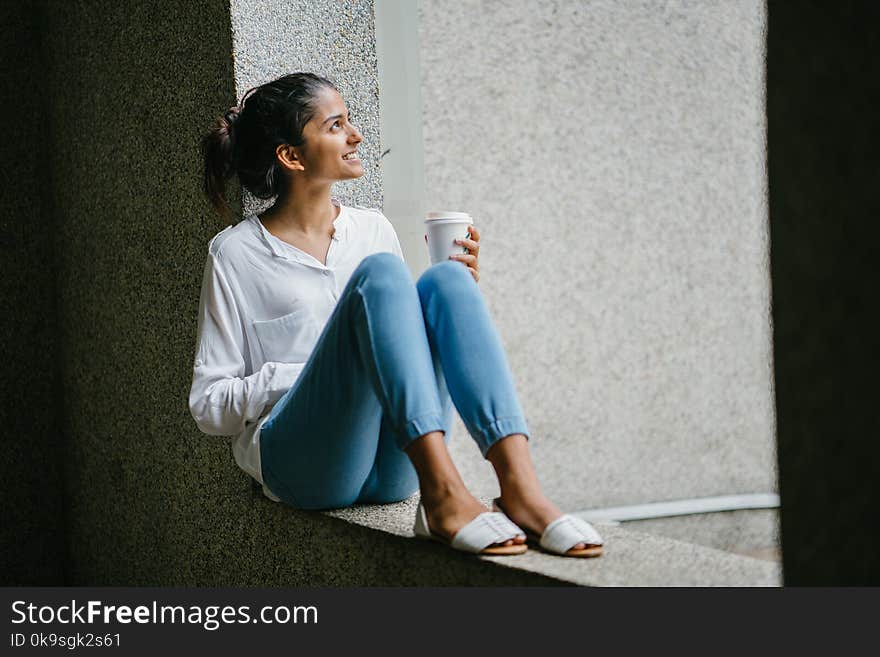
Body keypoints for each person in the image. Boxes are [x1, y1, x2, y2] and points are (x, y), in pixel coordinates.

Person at [190, 72, 603, 557]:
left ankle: (519, 489)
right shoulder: (236, 254)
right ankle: (446, 495)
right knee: (382, 275)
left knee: (447, 281)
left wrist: (457, 303)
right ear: (292, 156)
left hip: (393, 467)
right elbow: (207, 406)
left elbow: (398, 353)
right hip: (306, 466)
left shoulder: (372, 229)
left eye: (350, 122)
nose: (356, 136)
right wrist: (306, 376)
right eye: (336, 125)